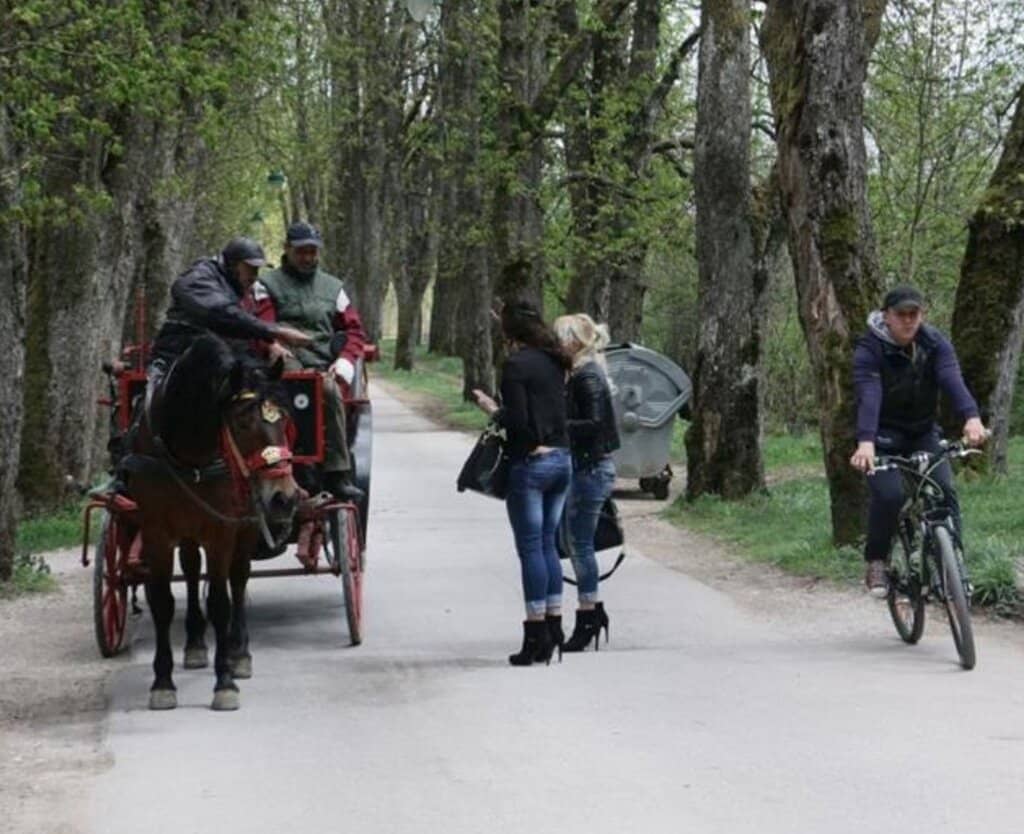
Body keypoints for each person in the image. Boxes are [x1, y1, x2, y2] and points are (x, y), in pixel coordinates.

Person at [96, 237, 310, 497]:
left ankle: (276, 468)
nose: (255, 276)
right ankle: (122, 474)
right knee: (144, 402)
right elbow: (219, 312)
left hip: (225, 356)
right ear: (232, 265)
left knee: (265, 396)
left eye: (257, 270)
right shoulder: (199, 278)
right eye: (250, 268)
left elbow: (241, 323)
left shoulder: (243, 288)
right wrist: (274, 331)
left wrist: (270, 344)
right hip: (181, 354)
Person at [850, 285, 987, 596]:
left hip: (922, 432)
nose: (909, 321)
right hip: (881, 436)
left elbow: (952, 378)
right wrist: (866, 442)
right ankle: (877, 562)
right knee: (889, 496)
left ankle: (954, 564)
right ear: (887, 316)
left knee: (945, 489)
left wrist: (972, 416)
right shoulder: (869, 349)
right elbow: (869, 395)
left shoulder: (934, 343)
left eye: (915, 314)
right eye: (901, 315)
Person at [473, 301, 572, 666]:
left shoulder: (515, 366)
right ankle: (554, 624)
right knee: (548, 544)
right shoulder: (556, 361)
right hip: (563, 460)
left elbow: (518, 421)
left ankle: (535, 636)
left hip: (532, 463)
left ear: (509, 333)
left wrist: (492, 411)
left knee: (530, 548)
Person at [251, 222, 367, 503]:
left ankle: (337, 472)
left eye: (312, 252)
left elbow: (354, 332)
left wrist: (344, 362)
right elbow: (260, 326)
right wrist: (273, 346)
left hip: (323, 363)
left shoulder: (334, 288)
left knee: (326, 390)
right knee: (292, 386)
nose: (308, 257)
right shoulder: (266, 284)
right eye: (302, 251)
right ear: (287, 250)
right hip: (283, 361)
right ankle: (274, 460)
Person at [553, 313, 620, 651]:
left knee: (579, 543)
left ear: (574, 342)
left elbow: (594, 423)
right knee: (572, 540)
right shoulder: (582, 373)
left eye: (560, 338)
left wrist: (557, 425)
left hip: (590, 467)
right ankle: (592, 610)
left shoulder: (587, 376)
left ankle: (588, 615)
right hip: (585, 466)